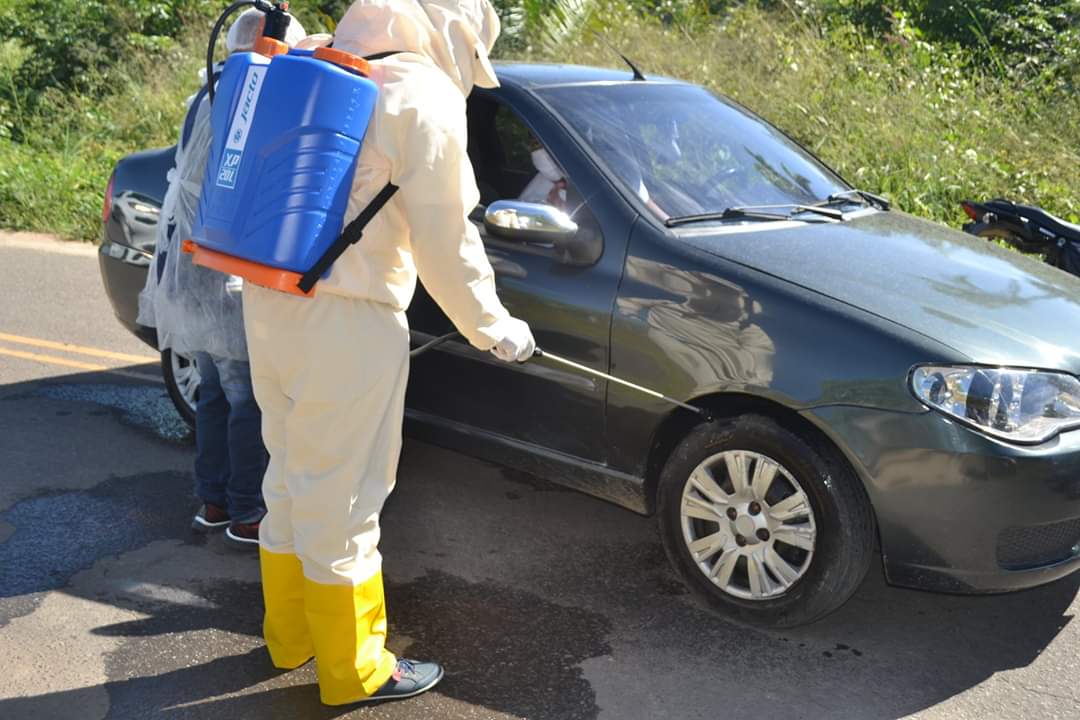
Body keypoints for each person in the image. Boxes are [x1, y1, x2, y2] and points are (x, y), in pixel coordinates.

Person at [243, 0, 535, 706]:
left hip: (269, 298)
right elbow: (448, 240)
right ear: (457, 30)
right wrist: (494, 327)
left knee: (289, 477)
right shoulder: (417, 94)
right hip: (349, 321)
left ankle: (291, 639)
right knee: (345, 497)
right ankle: (355, 671)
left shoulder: (310, 63)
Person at [137, 9, 307, 550]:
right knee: (244, 399)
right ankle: (248, 511)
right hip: (222, 276)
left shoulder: (208, 96)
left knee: (213, 391)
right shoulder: (247, 103)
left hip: (190, 274)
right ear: (266, 49)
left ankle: (211, 500)